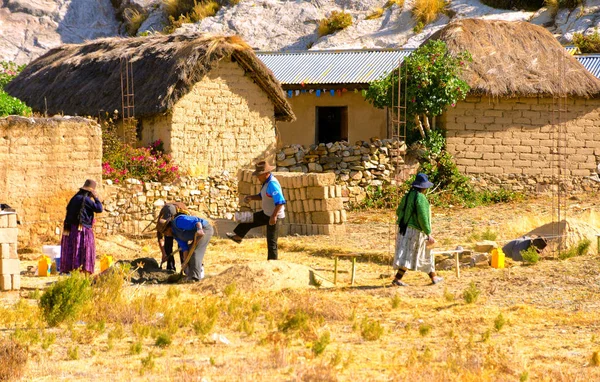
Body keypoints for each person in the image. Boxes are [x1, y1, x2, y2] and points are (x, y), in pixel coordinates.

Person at [226, 161, 286, 260]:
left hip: (274, 216)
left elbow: (280, 202)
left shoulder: (272, 184)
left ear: (266, 174)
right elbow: (263, 196)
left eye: (259, 175)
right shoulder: (266, 183)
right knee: (248, 219)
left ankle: (273, 263)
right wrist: (251, 197)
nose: (258, 178)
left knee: (271, 241)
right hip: (267, 213)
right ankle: (238, 236)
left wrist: (274, 216)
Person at [391, 173, 442, 286]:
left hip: (403, 229)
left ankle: (433, 277)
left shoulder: (408, 195)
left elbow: (399, 211)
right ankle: (398, 279)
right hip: (416, 231)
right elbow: (423, 216)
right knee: (423, 253)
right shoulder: (420, 198)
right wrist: (428, 233)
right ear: (423, 187)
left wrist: (405, 221)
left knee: (408, 254)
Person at [60, 179, 103, 274]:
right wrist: (96, 197)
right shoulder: (86, 200)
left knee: (72, 248)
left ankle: (71, 270)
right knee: (83, 249)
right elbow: (99, 209)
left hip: (70, 229)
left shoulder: (75, 198)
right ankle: (83, 271)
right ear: (90, 192)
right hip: (82, 229)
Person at [158, 214, 213, 281]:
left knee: (195, 252)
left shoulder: (178, 222)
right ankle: (192, 274)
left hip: (204, 229)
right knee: (190, 252)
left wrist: (199, 229)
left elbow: (197, 223)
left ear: (168, 227)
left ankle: (195, 278)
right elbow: (185, 248)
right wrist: (185, 263)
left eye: (165, 232)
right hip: (197, 234)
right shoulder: (175, 235)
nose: (166, 234)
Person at [156, 202, 189, 271]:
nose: (166, 233)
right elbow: (160, 240)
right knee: (167, 245)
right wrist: (164, 254)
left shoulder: (179, 218)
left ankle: (185, 268)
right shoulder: (160, 224)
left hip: (180, 225)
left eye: (166, 231)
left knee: (182, 246)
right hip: (170, 220)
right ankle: (170, 269)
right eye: (164, 232)